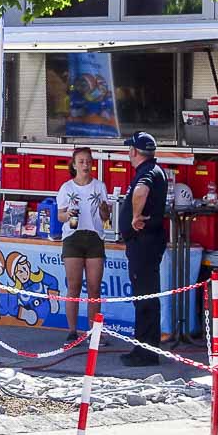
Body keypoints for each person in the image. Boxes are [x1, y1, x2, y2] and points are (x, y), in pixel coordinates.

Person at [119, 131, 168, 367]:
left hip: (145, 244)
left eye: (130, 148)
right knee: (143, 297)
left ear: (135, 151)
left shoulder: (147, 173)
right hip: (145, 243)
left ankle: (146, 352)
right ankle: (142, 347)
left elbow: (141, 191)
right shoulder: (149, 171)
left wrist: (135, 216)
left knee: (146, 297)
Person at [56, 146, 111, 344]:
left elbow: (106, 218)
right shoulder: (66, 188)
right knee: (74, 286)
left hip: (95, 237)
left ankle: (94, 332)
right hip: (73, 237)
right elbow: (60, 216)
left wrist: (106, 210)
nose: (85, 165)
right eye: (81, 161)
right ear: (74, 164)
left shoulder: (99, 186)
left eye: (88, 161)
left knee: (95, 288)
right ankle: (72, 331)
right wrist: (68, 214)